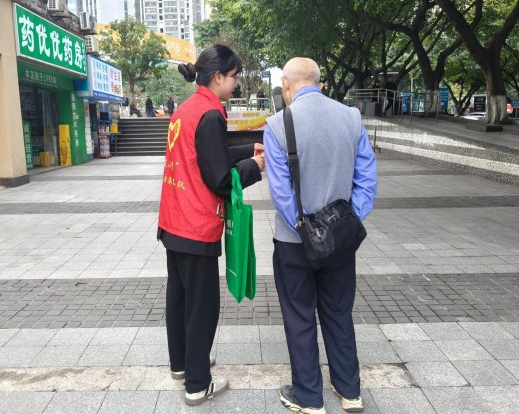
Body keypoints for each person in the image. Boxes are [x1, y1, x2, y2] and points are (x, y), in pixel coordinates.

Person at [263, 58, 377, 414]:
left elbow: (281, 194)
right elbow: (367, 179)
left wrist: (306, 230)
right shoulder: (351, 118)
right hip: (340, 242)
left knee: (299, 317)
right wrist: (347, 221)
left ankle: (309, 397)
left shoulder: (278, 125)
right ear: (320, 84)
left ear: (286, 86)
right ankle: (350, 391)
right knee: (339, 312)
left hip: (294, 243)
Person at [157, 44, 265, 407]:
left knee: (180, 299)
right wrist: (255, 168)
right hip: (195, 224)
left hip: (173, 221)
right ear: (218, 77)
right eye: (234, 77)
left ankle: (183, 365)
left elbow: (205, 156)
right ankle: (197, 385)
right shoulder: (211, 113)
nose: (236, 84)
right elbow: (219, 178)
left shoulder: (186, 109)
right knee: (202, 307)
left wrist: (248, 150)